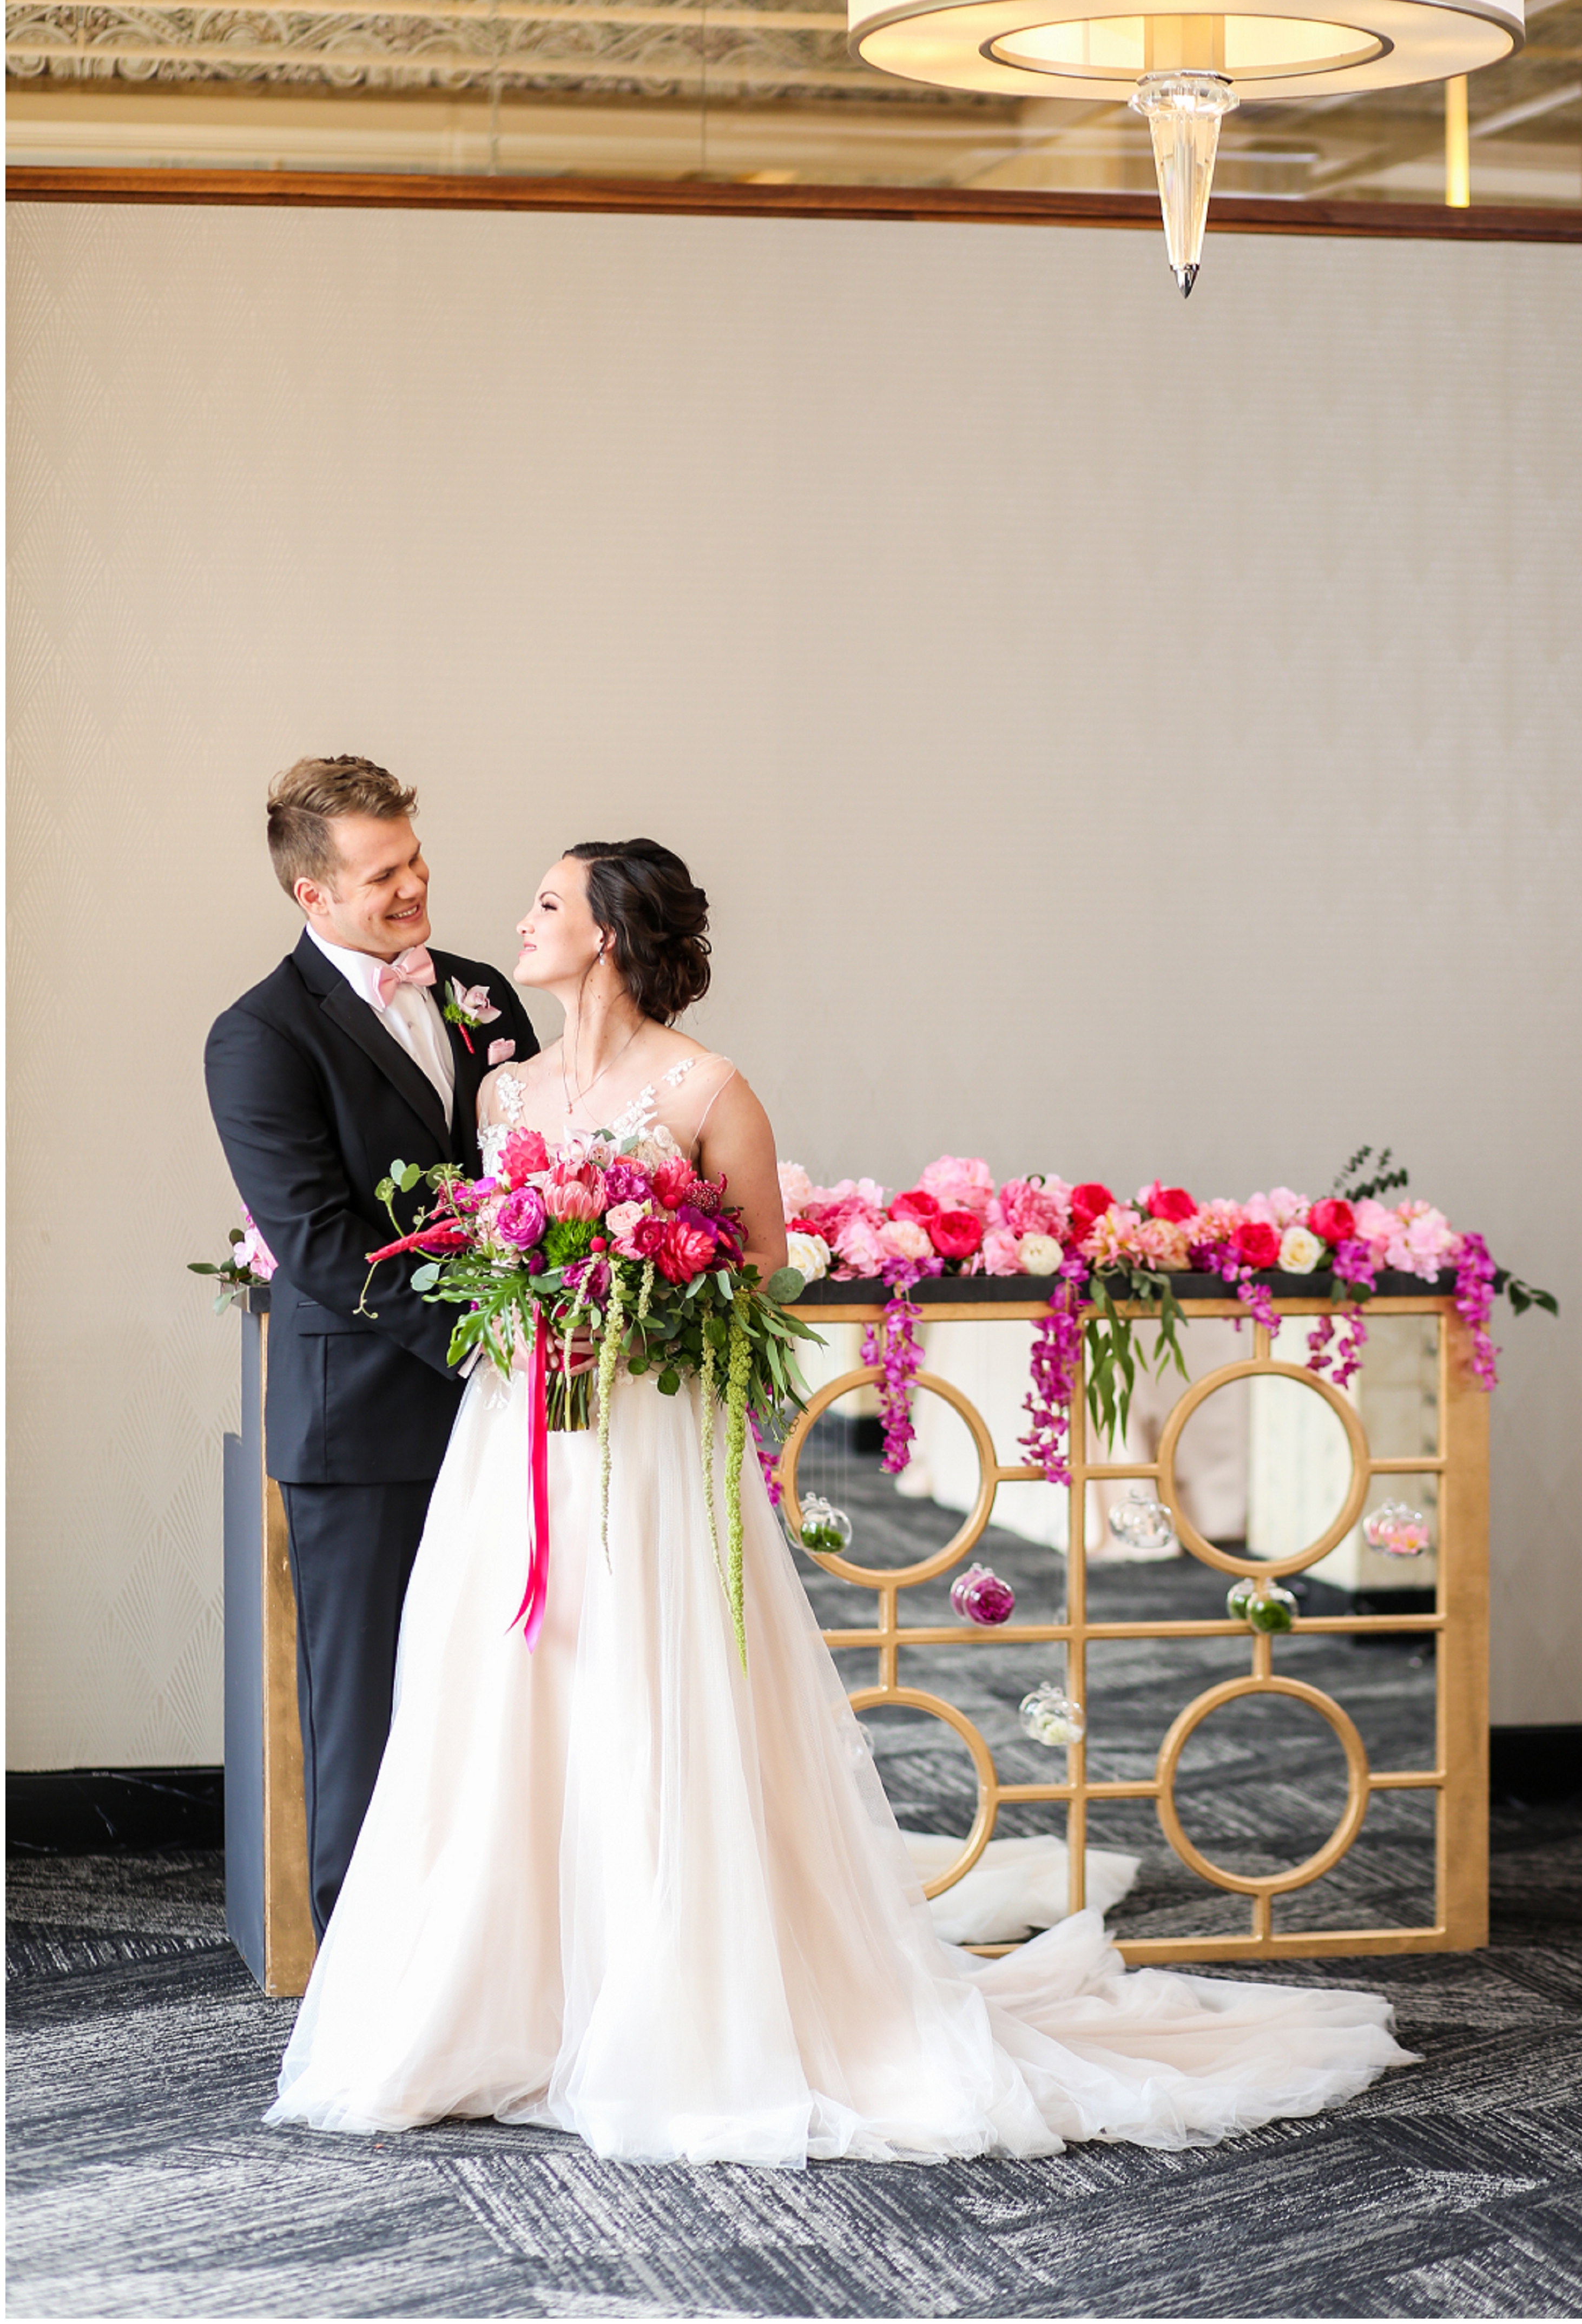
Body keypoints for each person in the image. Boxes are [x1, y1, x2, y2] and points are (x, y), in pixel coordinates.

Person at [267, 837, 1416, 2163]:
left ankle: (676, 2006)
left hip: (647, 1437)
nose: (515, 918)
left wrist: (641, 1301)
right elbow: (471, 1243)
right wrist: (535, 1293)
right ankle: (516, 2000)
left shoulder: (712, 1087)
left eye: (545, 903)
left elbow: (760, 1276)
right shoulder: (505, 1095)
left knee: (655, 1690)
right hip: (520, 1433)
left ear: (609, 934)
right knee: (505, 1694)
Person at [205, 757, 538, 1938]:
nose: (415, 884)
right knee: (370, 1715)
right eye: (384, 870)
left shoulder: (487, 991)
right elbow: (319, 1242)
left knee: (504, 1701)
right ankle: (365, 1981)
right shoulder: (256, 1037)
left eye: (417, 856)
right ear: (314, 894)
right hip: (367, 1420)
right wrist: (492, 1342)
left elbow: (532, 1181)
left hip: (509, 1417)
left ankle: (497, 1960)